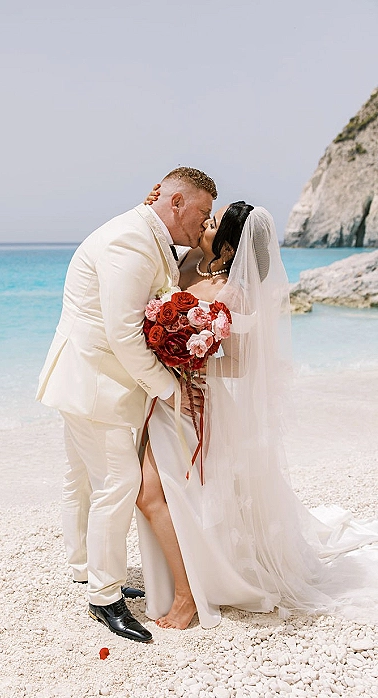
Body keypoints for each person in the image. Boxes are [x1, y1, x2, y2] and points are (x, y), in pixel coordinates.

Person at [136, 199, 378, 629]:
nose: (204, 226)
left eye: (212, 224)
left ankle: (192, 591)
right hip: (166, 398)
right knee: (169, 494)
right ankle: (186, 581)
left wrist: (188, 356)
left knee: (168, 492)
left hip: (196, 402)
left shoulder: (235, 294)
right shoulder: (190, 260)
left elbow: (241, 363)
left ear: (229, 248)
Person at [37, 167, 217, 642]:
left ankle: (84, 566)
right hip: (98, 384)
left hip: (82, 378)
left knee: (80, 479)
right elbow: (123, 333)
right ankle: (104, 597)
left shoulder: (143, 233)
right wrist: (169, 387)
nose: (204, 224)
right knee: (119, 484)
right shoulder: (131, 241)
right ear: (175, 202)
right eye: (201, 212)